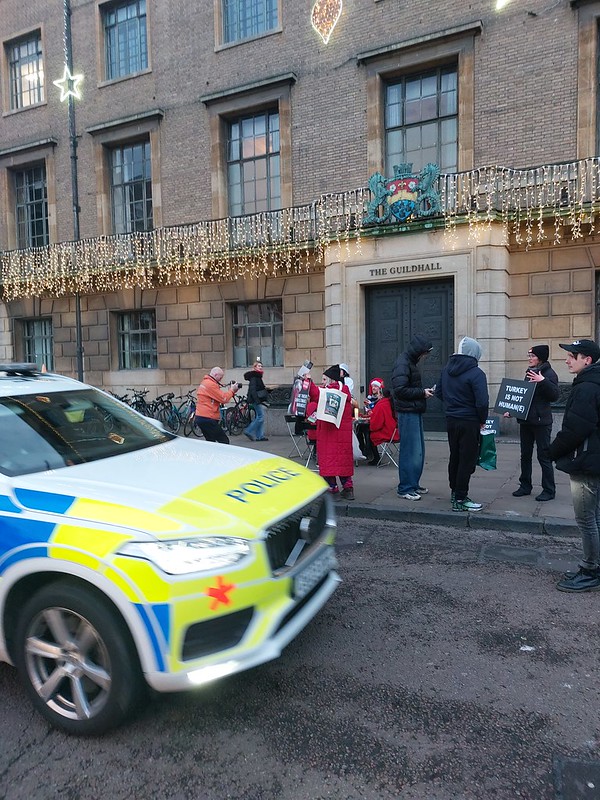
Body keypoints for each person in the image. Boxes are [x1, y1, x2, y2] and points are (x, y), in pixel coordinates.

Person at [547, 339, 600, 592]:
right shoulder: (592, 383)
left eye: (572, 355)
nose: (567, 359)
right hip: (593, 460)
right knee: (595, 517)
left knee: (586, 519)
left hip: (586, 462)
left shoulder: (587, 387)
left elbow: (576, 428)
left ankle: (591, 570)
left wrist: (551, 451)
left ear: (587, 360)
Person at [434, 336, 489, 512]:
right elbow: (482, 401)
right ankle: (461, 498)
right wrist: (482, 419)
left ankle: (454, 491)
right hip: (469, 420)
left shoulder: (446, 370)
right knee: (467, 459)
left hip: (451, 419)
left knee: (455, 456)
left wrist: (451, 405)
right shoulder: (476, 373)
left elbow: (439, 392)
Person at [509, 345, 559, 501]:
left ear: (541, 358)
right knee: (525, 455)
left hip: (541, 422)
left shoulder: (550, 374)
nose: (529, 358)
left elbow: (554, 395)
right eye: (528, 355)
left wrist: (542, 380)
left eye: (532, 356)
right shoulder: (530, 373)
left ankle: (549, 490)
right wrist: (512, 410)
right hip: (526, 421)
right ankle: (525, 486)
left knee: (544, 456)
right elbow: (524, 397)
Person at [391, 334, 434, 500]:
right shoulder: (403, 364)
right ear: (419, 351)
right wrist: (422, 393)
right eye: (424, 353)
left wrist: (422, 393)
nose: (425, 356)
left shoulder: (408, 362)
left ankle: (413, 484)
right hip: (407, 412)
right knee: (411, 451)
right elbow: (400, 390)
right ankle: (405, 488)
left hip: (413, 410)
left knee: (418, 451)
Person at [309, 365, 354, 499]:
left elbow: (315, 394)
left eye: (324, 379)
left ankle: (332, 489)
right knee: (342, 462)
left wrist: (307, 380)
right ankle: (348, 489)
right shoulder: (345, 392)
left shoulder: (328, 392)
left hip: (328, 434)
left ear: (330, 380)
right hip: (343, 435)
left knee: (329, 462)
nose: (323, 382)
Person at [195, 366, 240, 444]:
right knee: (224, 441)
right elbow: (224, 399)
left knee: (210, 442)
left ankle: (211, 455)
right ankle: (222, 456)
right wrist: (232, 391)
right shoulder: (211, 384)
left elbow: (218, 397)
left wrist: (230, 391)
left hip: (201, 416)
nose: (221, 379)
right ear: (215, 375)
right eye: (220, 377)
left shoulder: (205, 382)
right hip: (208, 417)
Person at [365, 388, 398, 465]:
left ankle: (375, 457)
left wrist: (371, 419)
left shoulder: (381, 405)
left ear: (381, 395)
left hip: (388, 432)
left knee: (370, 435)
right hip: (394, 431)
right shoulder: (390, 402)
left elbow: (376, 424)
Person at [243, 360, 269, 442]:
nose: (260, 367)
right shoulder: (254, 377)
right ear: (254, 367)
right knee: (260, 417)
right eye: (259, 366)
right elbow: (253, 390)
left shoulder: (257, 376)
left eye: (261, 366)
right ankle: (248, 430)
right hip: (255, 400)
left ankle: (260, 436)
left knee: (259, 417)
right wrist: (257, 400)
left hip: (257, 399)